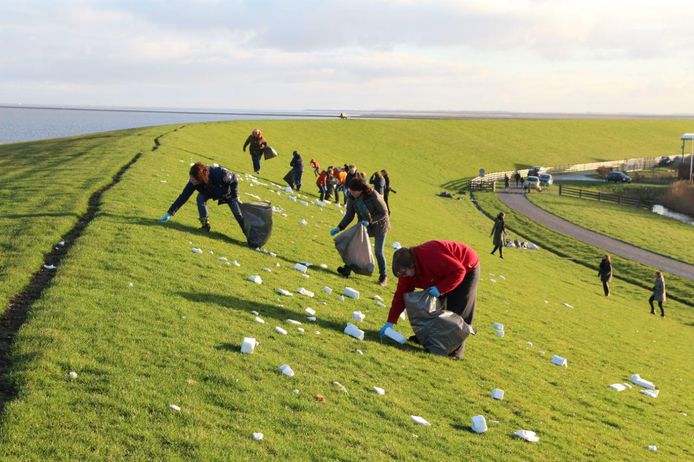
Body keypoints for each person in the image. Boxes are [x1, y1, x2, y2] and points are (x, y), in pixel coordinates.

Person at [379, 240, 480, 355]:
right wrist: (391, 321)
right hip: (444, 272)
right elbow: (400, 297)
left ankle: (454, 351)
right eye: (401, 275)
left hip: (466, 267)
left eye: (404, 273)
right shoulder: (406, 275)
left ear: (412, 266)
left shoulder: (430, 256)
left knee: (458, 311)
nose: (403, 277)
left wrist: (440, 289)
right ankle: (428, 340)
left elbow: (459, 271)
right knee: (434, 309)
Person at [330, 177, 390, 286]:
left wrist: (371, 221)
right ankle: (348, 268)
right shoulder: (352, 198)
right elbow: (349, 215)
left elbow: (384, 212)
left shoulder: (373, 195)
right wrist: (340, 227)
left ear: (361, 190)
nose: (351, 193)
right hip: (363, 224)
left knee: (378, 251)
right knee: (355, 246)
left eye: (353, 191)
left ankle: (383, 276)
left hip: (380, 225)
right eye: (350, 191)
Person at [160, 162, 244, 235]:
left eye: (193, 179)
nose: (191, 180)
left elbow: (234, 178)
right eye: (190, 177)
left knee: (238, 214)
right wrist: (170, 213)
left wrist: (234, 195)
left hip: (228, 193)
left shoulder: (218, 173)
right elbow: (183, 197)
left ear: (200, 178)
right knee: (200, 198)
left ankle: (252, 238)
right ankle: (205, 226)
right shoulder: (192, 183)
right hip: (211, 192)